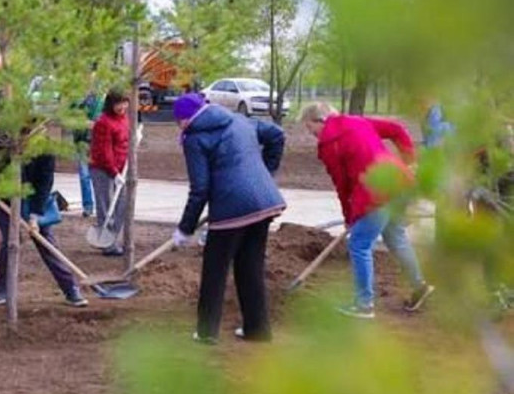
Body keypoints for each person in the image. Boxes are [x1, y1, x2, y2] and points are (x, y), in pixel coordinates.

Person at [299, 102, 435, 319]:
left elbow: (342, 185)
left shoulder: (328, 145)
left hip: (376, 193)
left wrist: (349, 216)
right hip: (400, 184)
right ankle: (419, 286)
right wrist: (410, 161)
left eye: (309, 128)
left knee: (359, 244)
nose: (311, 134)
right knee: (395, 237)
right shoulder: (358, 121)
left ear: (319, 120)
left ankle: (364, 305)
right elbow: (397, 130)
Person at [171, 93, 286, 344]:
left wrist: (184, 228)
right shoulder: (240, 120)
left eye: (178, 121)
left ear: (185, 119)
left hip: (231, 210)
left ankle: (206, 332)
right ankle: (257, 329)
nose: (178, 126)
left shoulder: (195, 138)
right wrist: (265, 174)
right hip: (264, 203)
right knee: (250, 267)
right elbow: (277, 135)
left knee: (215, 269)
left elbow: (200, 189)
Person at [0, 131, 88, 307]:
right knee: (12, 240)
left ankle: (70, 288)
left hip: (33, 197)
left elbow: (44, 182)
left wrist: (34, 216)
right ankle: (2, 289)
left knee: (44, 239)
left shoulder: (45, 148)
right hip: (3, 196)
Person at [89, 90, 130, 256]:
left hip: (121, 169)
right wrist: (114, 172)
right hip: (102, 169)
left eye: (124, 103)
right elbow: (104, 151)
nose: (122, 107)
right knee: (105, 206)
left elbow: (125, 143)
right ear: (110, 104)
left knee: (122, 204)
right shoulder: (103, 122)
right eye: (117, 103)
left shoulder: (125, 119)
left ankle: (112, 237)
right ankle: (107, 243)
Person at [73, 90, 103, 217]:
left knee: (99, 176)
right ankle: (88, 206)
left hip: (97, 142)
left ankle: (102, 206)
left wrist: (95, 125)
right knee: (84, 175)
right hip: (82, 142)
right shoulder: (77, 101)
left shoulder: (101, 101)